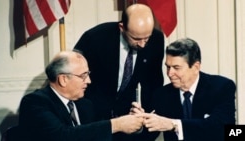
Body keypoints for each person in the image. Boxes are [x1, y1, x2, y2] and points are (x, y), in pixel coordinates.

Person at [73, 4, 164, 140]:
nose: (143, 45)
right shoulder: (95, 38)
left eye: (147, 38)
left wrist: (144, 115)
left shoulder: (157, 39)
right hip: (95, 119)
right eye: (137, 39)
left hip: (131, 122)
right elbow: (76, 78)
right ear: (122, 28)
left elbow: (154, 82)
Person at [18, 50, 144, 141]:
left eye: (88, 74)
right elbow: (61, 136)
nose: (89, 81)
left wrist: (133, 124)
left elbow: (103, 133)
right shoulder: (35, 103)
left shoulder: (84, 104)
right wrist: (117, 124)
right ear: (63, 79)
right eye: (83, 75)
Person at [131, 38, 236, 141]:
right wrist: (139, 123)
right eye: (168, 67)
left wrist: (173, 125)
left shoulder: (222, 87)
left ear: (195, 67)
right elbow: (148, 135)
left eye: (176, 68)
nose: (169, 74)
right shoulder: (161, 95)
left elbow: (222, 128)